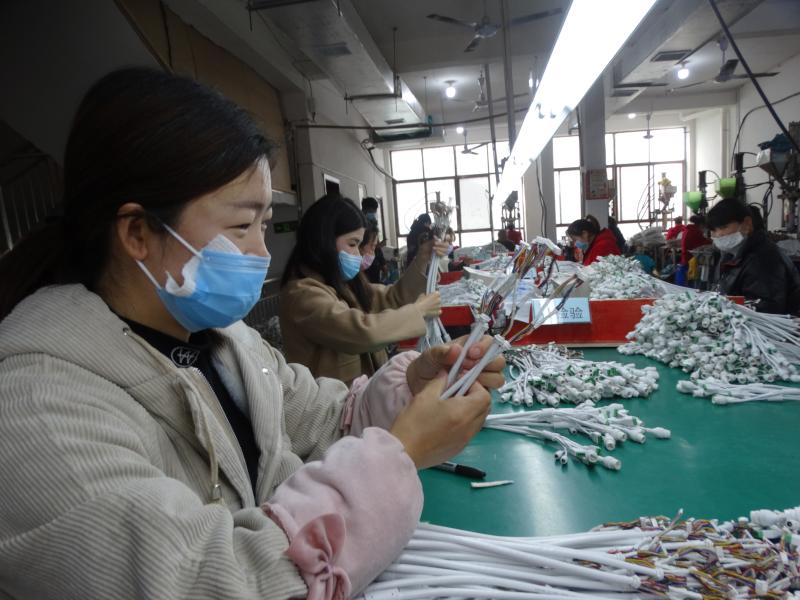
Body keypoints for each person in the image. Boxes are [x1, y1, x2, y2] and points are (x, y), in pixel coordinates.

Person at [0, 68, 505, 600]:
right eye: (241, 227)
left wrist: (410, 392)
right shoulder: (38, 410)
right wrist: (397, 454)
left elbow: (325, 418)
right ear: (138, 233)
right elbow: (204, 581)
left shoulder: (223, 341)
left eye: (263, 226)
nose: (262, 253)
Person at [280, 195, 450, 384]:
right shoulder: (302, 295)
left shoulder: (343, 284)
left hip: (364, 393)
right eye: (352, 244)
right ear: (323, 240)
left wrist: (424, 256)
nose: (358, 254)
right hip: (336, 400)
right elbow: (361, 332)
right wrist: (418, 311)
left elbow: (393, 297)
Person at [707, 198, 800, 314]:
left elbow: (765, 308)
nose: (718, 234)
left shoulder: (764, 259)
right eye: (713, 230)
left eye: (723, 227)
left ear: (747, 224)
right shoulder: (731, 255)